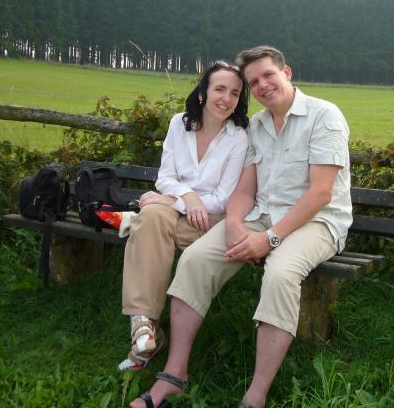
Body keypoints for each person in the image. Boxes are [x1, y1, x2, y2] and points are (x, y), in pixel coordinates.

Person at [130, 46, 352, 408]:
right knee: (196, 259)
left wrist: (270, 239)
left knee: (280, 273)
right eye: (254, 81)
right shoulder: (258, 126)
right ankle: (174, 375)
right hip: (261, 216)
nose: (262, 85)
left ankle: (254, 397)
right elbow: (245, 190)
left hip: (317, 222)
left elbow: (321, 194)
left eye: (268, 75)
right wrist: (234, 223)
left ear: (286, 73)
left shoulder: (323, 116)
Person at [119, 60, 249, 372]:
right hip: (175, 212)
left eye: (234, 93)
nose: (226, 98)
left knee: (149, 221)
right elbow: (165, 177)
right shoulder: (180, 123)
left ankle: (146, 333)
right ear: (203, 93)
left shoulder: (239, 137)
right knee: (152, 217)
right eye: (219, 89)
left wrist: (169, 201)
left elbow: (223, 198)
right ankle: (144, 326)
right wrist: (186, 198)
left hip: (210, 222)